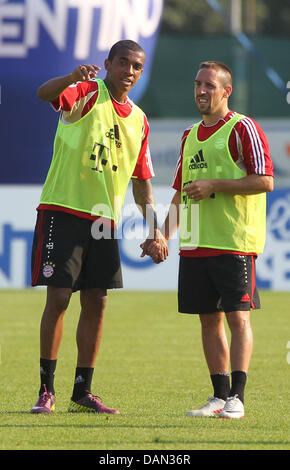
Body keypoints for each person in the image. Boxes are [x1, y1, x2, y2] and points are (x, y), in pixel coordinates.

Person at [30, 40, 168, 415]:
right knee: (58, 298)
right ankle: (46, 389)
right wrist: (69, 78)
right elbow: (44, 93)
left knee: (97, 302)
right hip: (63, 209)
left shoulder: (139, 119)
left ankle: (82, 391)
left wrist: (155, 229)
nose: (129, 70)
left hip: (104, 221)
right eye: (122, 62)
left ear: (141, 72)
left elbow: (141, 182)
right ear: (108, 63)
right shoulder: (88, 91)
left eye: (137, 66)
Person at [142, 61, 274, 419]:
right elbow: (179, 196)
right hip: (196, 245)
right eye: (197, 84)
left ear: (226, 91)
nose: (201, 91)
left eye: (209, 86)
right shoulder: (188, 136)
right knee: (208, 321)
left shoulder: (242, 128)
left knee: (238, 318)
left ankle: (238, 398)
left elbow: (265, 181)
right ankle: (218, 395)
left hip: (234, 242)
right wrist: (161, 236)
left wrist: (216, 185)